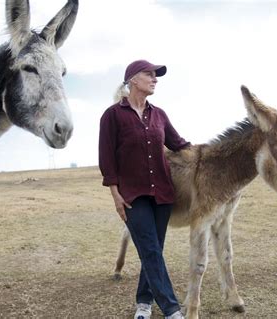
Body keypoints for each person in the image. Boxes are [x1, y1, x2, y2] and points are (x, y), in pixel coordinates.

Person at [99, 60, 190, 319]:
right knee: (150, 249)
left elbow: (178, 143)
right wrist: (115, 195)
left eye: (155, 75)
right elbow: (107, 160)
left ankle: (143, 303)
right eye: (149, 74)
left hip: (162, 194)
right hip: (132, 196)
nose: (155, 79)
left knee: (154, 252)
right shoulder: (112, 115)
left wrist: (207, 154)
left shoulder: (159, 114)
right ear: (133, 80)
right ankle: (172, 310)